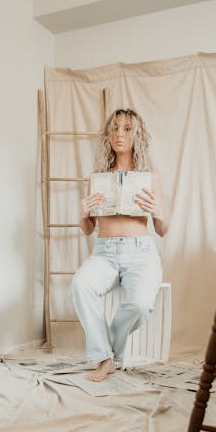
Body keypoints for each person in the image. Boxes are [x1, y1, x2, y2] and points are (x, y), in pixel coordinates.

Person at [71, 108, 169, 382]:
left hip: (141, 251)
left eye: (126, 128)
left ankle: (108, 352)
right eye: (114, 128)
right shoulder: (97, 178)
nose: (119, 134)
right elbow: (89, 229)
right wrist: (83, 213)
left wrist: (158, 212)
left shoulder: (150, 177)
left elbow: (162, 230)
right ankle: (104, 359)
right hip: (104, 252)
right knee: (80, 285)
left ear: (137, 134)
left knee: (138, 304)